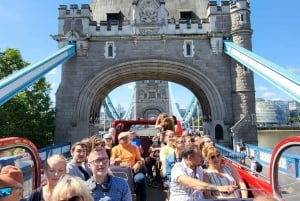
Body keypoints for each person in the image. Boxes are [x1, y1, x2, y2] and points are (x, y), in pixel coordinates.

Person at [169, 144, 238, 201]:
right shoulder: (178, 168)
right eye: (200, 156)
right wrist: (219, 188)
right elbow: (192, 183)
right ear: (190, 158)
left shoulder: (199, 169)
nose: (203, 158)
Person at [110, 131, 147, 201]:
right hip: (120, 172)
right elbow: (111, 163)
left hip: (133, 170)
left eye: (127, 138)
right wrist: (115, 161)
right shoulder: (115, 149)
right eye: (123, 138)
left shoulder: (134, 147)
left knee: (140, 178)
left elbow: (140, 159)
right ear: (119, 140)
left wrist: (138, 164)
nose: (126, 140)